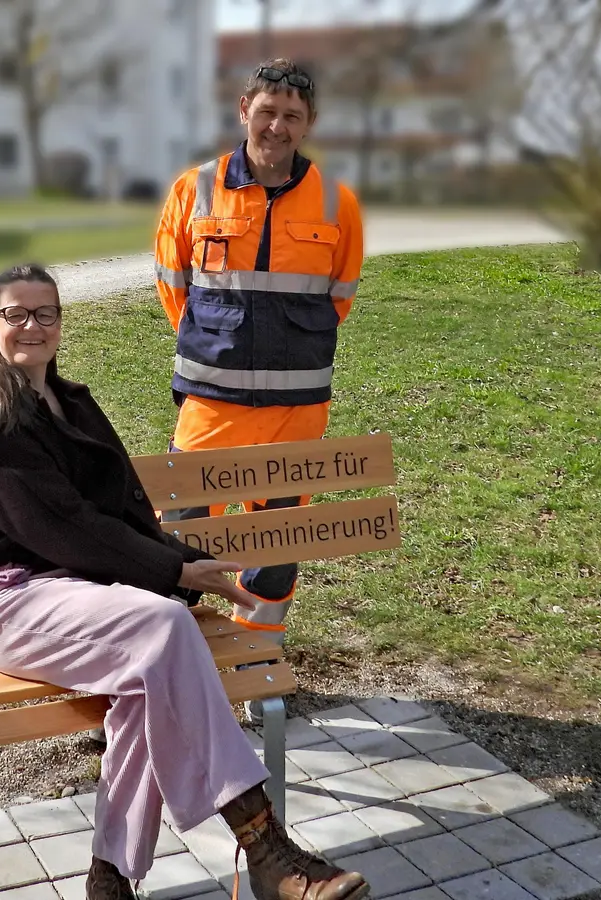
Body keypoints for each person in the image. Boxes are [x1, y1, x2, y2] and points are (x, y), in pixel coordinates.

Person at [0, 263, 371, 900]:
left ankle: (109, 880)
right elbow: (64, 526)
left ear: (61, 323)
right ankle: (263, 844)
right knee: (165, 631)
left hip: (89, 603)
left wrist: (185, 566)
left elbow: (125, 513)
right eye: (16, 315)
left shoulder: (73, 403)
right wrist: (173, 574)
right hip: (10, 604)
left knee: (153, 684)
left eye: (45, 314)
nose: (32, 326)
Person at [153, 58, 365, 642]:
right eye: (267, 111)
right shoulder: (195, 189)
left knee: (277, 538)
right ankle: (177, 655)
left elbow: (339, 294)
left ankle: (254, 654)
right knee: (182, 525)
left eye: (291, 116)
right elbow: (173, 284)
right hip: (211, 400)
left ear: (309, 123)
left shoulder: (336, 203)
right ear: (244, 110)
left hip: (296, 408)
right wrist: (215, 345)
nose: (277, 126)